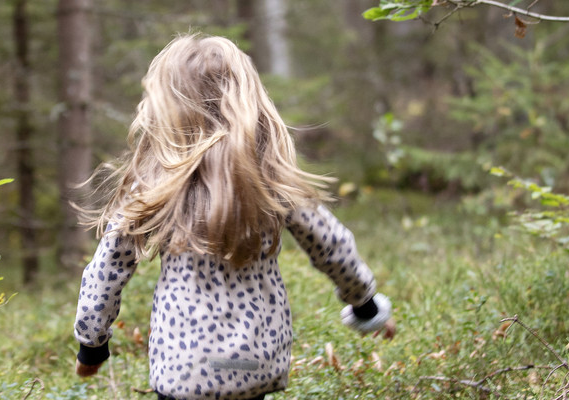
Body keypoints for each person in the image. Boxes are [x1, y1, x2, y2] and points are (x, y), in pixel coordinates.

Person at [72, 34, 395, 399]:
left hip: (184, 368)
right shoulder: (270, 180)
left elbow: (107, 269)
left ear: (167, 106)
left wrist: (92, 346)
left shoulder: (154, 185)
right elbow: (332, 246)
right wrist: (366, 307)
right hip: (256, 363)